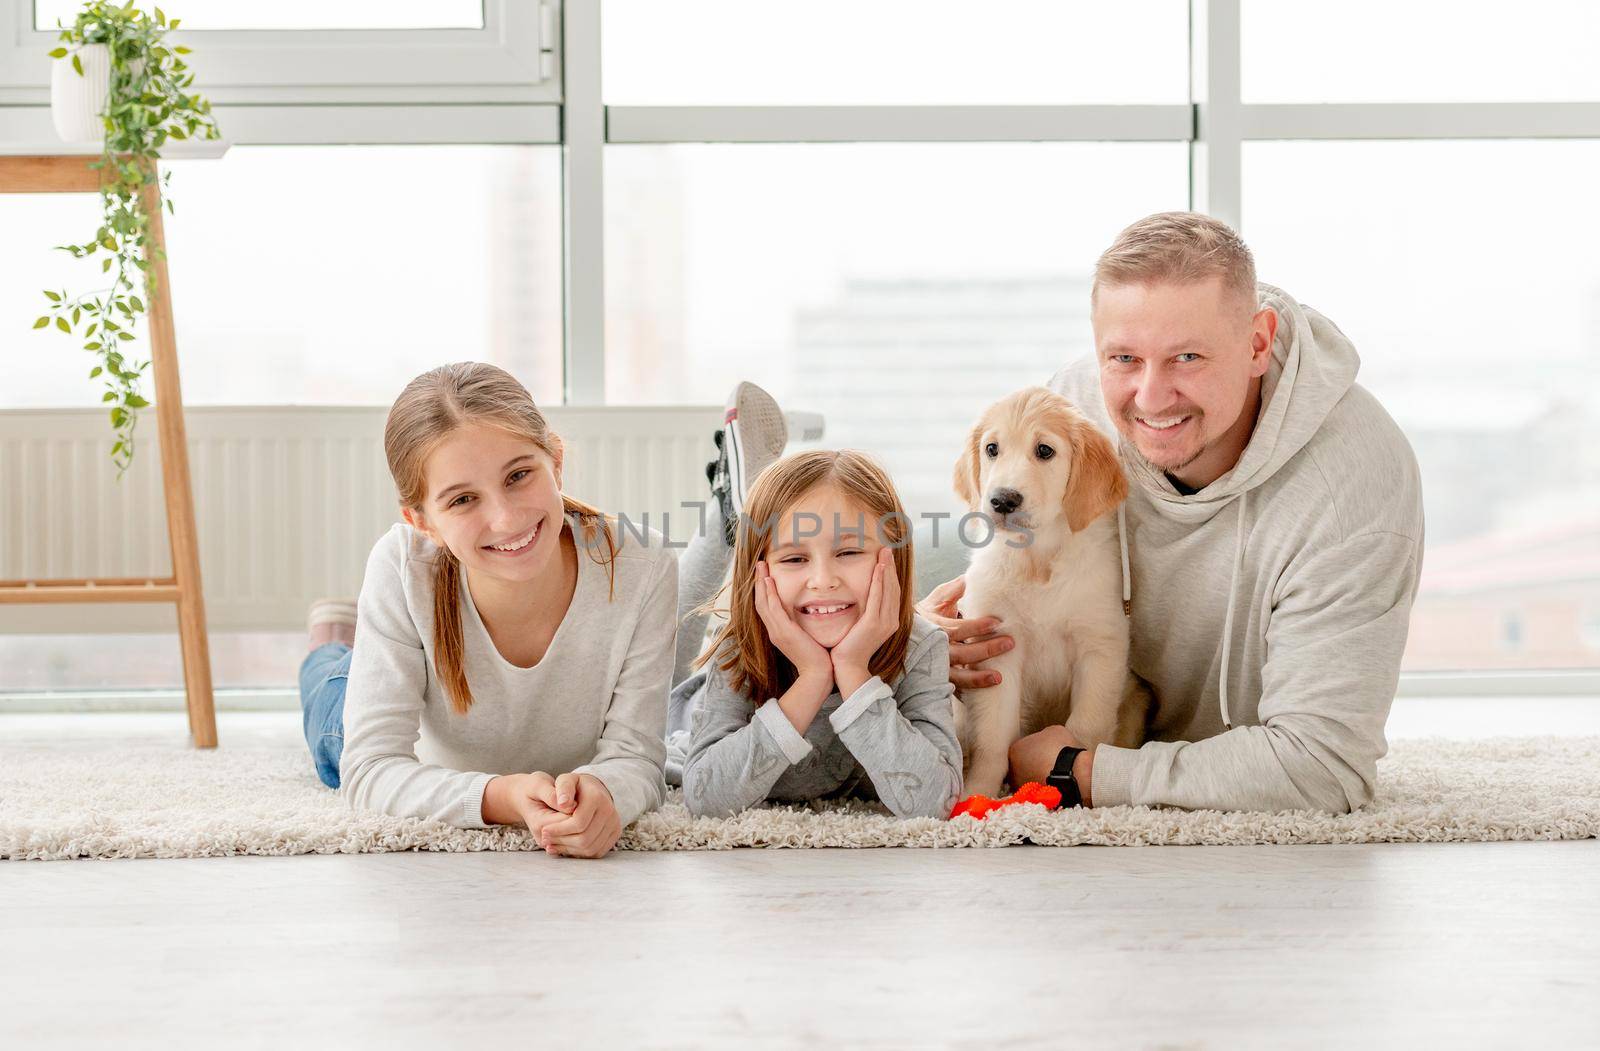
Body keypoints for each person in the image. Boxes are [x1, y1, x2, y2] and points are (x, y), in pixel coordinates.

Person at [918, 211, 1425, 815]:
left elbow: (1324, 771)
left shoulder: (1350, 487)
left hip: (1235, 810)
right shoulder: (1072, 413)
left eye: (1187, 357)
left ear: (1258, 343)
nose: (1151, 398)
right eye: (1123, 358)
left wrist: (1083, 770)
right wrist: (927, 646)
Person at [297, 362, 677, 859]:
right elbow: (369, 771)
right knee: (332, 730)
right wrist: (503, 798)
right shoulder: (403, 566)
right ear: (422, 521)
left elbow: (639, 758)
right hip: (398, 717)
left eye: (519, 475)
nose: (505, 518)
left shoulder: (644, 565)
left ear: (555, 461)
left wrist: (605, 794)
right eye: (462, 500)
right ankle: (331, 641)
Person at [673, 448, 964, 819]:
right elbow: (706, 800)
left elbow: (937, 802)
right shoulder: (740, 647)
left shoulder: (921, 647)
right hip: (686, 711)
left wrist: (854, 671)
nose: (824, 581)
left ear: (893, 558)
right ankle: (723, 505)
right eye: (795, 559)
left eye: (849, 552)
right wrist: (812, 679)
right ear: (759, 571)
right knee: (673, 646)